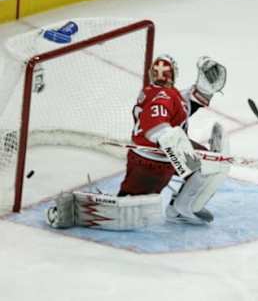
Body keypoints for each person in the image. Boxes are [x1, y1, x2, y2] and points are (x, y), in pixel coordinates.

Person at [45, 54, 229, 230]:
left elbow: (181, 106)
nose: (161, 75)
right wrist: (171, 142)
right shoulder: (163, 96)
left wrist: (204, 90)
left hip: (162, 156)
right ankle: (71, 211)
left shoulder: (164, 94)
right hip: (151, 163)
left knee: (208, 163)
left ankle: (181, 209)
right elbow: (156, 125)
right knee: (126, 207)